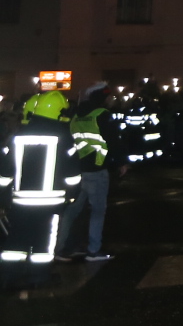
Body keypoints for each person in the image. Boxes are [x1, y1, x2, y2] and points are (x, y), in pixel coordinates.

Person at [2, 90, 76, 267]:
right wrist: (71, 196)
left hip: (19, 201)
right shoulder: (64, 138)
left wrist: (3, 197)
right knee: (43, 242)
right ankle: (39, 275)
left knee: (16, 240)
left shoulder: (18, 136)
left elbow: (4, 171)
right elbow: (72, 174)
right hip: (51, 203)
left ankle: (9, 274)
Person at [58, 82, 117, 262]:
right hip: (97, 168)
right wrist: (121, 161)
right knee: (98, 211)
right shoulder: (102, 114)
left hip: (78, 169)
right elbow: (113, 139)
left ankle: (61, 248)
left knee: (72, 211)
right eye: (108, 96)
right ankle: (94, 250)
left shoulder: (76, 114)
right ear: (102, 97)